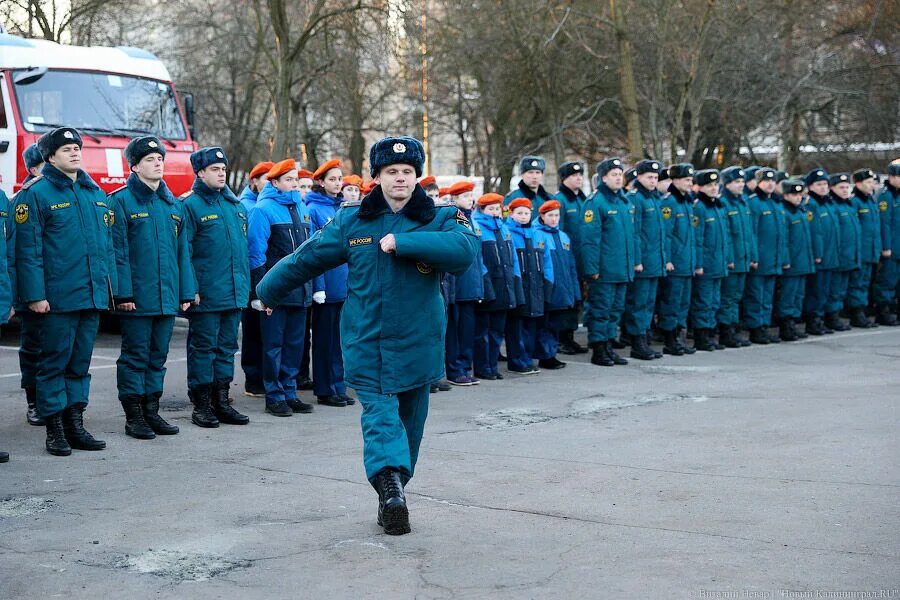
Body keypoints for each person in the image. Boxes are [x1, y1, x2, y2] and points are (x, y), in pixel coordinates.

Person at [256, 136, 478, 535]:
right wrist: (267, 290)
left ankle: (393, 490)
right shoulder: (352, 219)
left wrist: (406, 243)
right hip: (366, 338)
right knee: (379, 415)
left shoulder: (441, 217)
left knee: (411, 423)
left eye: (407, 172)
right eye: (391, 172)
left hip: (419, 340)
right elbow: (308, 257)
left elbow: (464, 252)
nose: (400, 179)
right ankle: (390, 487)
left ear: (416, 177)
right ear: (377, 176)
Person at [15, 127, 115, 456]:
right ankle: (54, 428)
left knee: (79, 364)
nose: (74, 152)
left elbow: (106, 248)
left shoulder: (93, 193)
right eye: (66, 149)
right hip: (56, 299)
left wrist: (109, 290)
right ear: (50, 157)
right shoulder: (38, 194)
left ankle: (75, 423)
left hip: (90, 294)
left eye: (77, 147)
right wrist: (35, 296)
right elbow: (28, 252)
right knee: (53, 364)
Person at [109, 136, 195, 439]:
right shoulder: (120, 201)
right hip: (138, 297)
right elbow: (117, 252)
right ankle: (134, 416)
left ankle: (151, 411)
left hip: (166, 296)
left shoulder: (172, 204)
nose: (157, 163)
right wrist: (123, 294)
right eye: (149, 159)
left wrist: (187, 291)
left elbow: (182, 252)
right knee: (135, 356)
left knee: (157, 356)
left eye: (160, 158)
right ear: (134, 166)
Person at [182, 147, 251, 427]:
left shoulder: (235, 207)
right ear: (200, 172)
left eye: (223, 169)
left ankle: (221, 401)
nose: (221, 173)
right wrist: (190, 289)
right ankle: (201, 405)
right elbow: (183, 253)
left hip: (232, 293)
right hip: (207, 293)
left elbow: (243, 253)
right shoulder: (190, 206)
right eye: (214, 169)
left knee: (226, 349)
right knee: (203, 349)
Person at [248, 159, 316, 415]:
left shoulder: (301, 207)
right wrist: (259, 292)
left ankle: (289, 391)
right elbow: (256, 254)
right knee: (273, 345)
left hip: (301, 290)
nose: (294, 185)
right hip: (276, 292)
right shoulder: (262, 209)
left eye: (296, 180)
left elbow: (310, 251)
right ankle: (274, 395)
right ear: (274, 182)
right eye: (289, 180)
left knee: (294, 345)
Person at [578, 157, 635, 367]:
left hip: (621, 269)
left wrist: (632, 264)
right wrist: (592, 269)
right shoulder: (595, 203)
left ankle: (609, 346)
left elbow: (631, 237)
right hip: (604, 270)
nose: (619, 179)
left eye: (620, 175)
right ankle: (599, 348)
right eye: (614, 175)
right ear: (603, 178)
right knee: (601, 310)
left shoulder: (624, 202)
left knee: (615, 310)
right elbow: (590, 240)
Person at [306, 159, 353, 407]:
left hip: (344, 284)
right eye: (332, 179)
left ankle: (339, 385)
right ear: (321, 182)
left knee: (341, 340)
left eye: (339, 179)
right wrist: (319, 286)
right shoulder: (313, 209)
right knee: (325, 340)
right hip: (327, 284)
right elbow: (315, 251)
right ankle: (325, 388)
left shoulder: (344, 209)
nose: (338, 183)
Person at [473, 193, 522, 380]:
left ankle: (492, 365)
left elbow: (513, 259)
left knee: (497, 331)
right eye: (491, 209)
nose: (495, 212)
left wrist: (515, 283)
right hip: (489, 285)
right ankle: (482, 366)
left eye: (497, 208)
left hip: (505, 286)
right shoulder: (479, 228)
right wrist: (486, 285)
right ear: (482, 210)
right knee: (483, 331)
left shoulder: (504, 229)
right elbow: (480, 260)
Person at [445, 181, 488, 385]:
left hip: (471, 284)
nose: (469, 199)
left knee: (467, 330)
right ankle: (455, 369)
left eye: (471, 195)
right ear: (454, 199)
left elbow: (478, 257)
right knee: (454, 330)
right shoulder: (452, 219)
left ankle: (465, 366)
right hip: (457, 284)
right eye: (464, 196)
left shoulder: (473, 220)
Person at [624, 159, 668, 360]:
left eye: (655, 177)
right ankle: (637, 342)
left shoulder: (654, 198)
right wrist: (637, 260)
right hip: (643, 262)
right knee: (639, 303)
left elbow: (660, 234)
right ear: (639, 176)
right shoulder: (635, 198)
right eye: (649, 177)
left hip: (654, 261)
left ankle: (644, 337)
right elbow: (635, 233)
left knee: (649, 302)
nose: (653, 181)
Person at [238, 161, 274, 397]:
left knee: (267, 332)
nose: (269, 184)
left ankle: (264, 375)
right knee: (252, 330)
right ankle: (253, 379)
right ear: (255, 182)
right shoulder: (247, 206)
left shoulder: (264, 205)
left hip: (267, 273)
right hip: (252, 274)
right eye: (266, 180)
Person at [17, 143, 45, 427]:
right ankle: (34, 402)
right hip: (33, 292)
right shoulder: (22, 200)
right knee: (34, 349)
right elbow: (21, 253)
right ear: (35, 169)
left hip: (60, 289)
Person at [690, 170, 733, 351]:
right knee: (704, 301)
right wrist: (699, 264)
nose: (714, 188)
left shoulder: (718, 206)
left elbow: (726, 237)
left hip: (718, 263)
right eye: (709, 185)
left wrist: (728, 259)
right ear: (700, 187)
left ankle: (710, 333)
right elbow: (697, 239)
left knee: (715, 301)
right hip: (707, 264)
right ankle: (701, 336)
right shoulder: (699, 207)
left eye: (716, 185)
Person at [533, 200, 579, 368]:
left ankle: (550, 353)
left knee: (555, 324)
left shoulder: (563, 236)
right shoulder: (537, 234)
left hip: (562, 288)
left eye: (556, 215)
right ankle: (545, 356)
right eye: (550, 215)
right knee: (545, 324)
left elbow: (570, 265)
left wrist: (574, 290)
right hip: (548, 287)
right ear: (542, 217)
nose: (554, 219)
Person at [744, 168, 788, 344]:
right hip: (761, 259)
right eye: (766, 181)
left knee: (767, 296)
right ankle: (755, 328)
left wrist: (783, 258)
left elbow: (781, 236)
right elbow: (751, 233)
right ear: (758, 183)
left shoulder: (776, 204)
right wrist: (754, 257)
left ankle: (764, 326)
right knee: (756, 295)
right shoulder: (754, 203)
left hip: (774, 259)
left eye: (773, 181)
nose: (770, 184)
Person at [658, 163, 696, 355]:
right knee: (671, 302)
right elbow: (665, 234)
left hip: (687, 262)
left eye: (691, 180)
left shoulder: (686, 202)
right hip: (675, 263)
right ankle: (670, 339)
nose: (690, 183)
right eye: (686, 180)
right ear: (675, 180)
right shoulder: (670, 202)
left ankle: (679, 337)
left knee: (683, 303)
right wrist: (667, 259)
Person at [552, 161, 589, 355]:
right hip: (567, 258)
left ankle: (571, 336)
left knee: (576, 300)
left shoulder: (582, 200)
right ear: (564, 178)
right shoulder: (560, 200)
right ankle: (562, 338)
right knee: (566, 301)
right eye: (574, 175)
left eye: (580, 175)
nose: (579, 178)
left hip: (581, 258)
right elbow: (559, 230)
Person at [505, 198, 544, 374]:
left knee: (530, 325)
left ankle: (527, 358)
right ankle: (516, 359)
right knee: (516, 326)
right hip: (519, 285)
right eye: (519, 213)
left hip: (534, 287)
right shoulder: (509, 233)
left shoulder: (535, 234)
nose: (523, 217)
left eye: (526, 213)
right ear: (511, 214)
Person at [717, 166, 756, 347]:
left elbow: (749, 234)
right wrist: (729, 258)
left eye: (742, 181)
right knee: (728, 297)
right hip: (733, 260)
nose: (740, 185)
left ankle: (733, 328)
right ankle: (726, 331)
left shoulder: (743, 202)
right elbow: (726, 236)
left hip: (744, 258)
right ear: (727, 184)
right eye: (736, 182)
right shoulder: (723, 203)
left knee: (736, 296)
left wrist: (752, 256)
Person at [774, 180, 815, 341]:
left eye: (800, 194)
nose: (798, 198)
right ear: (785, 195)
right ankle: (786, 324)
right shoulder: (785, 213)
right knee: (788, 294)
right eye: (794, 195)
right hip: (792, 261)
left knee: (798, 294)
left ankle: (794, 321)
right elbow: (783, 240)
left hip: (803, 260)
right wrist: (785, 259)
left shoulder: (800, 211)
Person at [803, 168, 839, 335]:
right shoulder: (811, 205)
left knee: (825, 289)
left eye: (825, 184)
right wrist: (817, 254)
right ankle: (813, 320)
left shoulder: (828, 203)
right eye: (819, 184)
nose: (823, 187)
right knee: (816, 290)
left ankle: (821, 318)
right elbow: (814, 232)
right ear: (810, 187)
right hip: (820, 256)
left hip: (830, 255)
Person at [846, 168, 881, 328]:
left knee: (865, 282)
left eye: (872, 182)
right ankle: (856, 312)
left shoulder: (871, 200)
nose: (871, 185)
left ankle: (863, 310)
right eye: (868, 182)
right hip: (860, 251)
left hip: (871, 250)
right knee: (857, 283)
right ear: (858, 184)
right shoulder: (855, 202)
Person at [825, 173, 858, 331]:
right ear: (832, 188)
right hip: (838, 254)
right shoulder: (833, 205)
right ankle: (831, 315)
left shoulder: (848, 205)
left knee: (842, 288)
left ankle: (837, 313)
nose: (845, 190)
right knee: (835, 288)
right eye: (841, 187)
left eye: (847, 187)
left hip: (849, 254)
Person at [872, 163, 900, 325]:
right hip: (892, 247)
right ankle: (884, 310)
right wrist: (886, 247)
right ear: (891, 177)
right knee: (887, 280)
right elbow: (885, 224)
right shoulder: (886, 195)